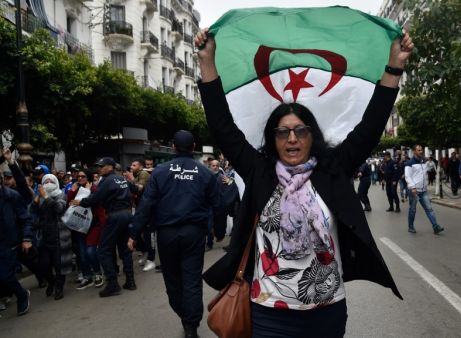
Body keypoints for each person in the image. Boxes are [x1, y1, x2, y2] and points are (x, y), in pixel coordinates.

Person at [195, 28, 413, 337]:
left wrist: (395, 66)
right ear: (273, 139)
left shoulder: (332, 169)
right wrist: (207, 63)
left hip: (327, 312)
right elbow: (222, 126)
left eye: (301, 130)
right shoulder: (260, 172)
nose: (292, 138)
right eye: (283, 132)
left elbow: (371, 125)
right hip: (269, 314)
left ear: (313, 136)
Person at [128, 130, 220, 338]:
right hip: (193, 233)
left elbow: (146, 204)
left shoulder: (160, 172)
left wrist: (134, 233)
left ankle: (187, 320)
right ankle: (191, 323)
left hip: (168, 234)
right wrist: (218, 229)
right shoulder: (204, 172)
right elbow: (218, 204)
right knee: (191, 278)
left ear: (174, 147)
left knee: (173, 279)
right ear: (194, 146)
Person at [71, 157, 134, 297]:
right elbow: (134, 190)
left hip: (114, 215)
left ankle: (113, 284)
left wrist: (80, 202)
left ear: (110, 167)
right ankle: (130, 281)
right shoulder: (121, 179)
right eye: (98, 166)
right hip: (126, 214)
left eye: (102, 166)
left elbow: (96, 198)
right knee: (124, 248)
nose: (99, 168)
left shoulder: (107, 181)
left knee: (103, 251)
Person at [31, 174, 71, 300]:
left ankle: (59, 287)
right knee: (43, 265)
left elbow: (59, 208)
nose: (48, 183)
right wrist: (37, 199)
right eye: (45, 181)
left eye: (51, 181)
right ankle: (51, 282)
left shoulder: (61, 195)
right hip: (44, 236)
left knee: (59, 265)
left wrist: (46, 197)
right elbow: (31, 212)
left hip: (59, 236)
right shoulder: (41, 197)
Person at [0, 171, 33, 316]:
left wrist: (26, 239)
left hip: (9, 243)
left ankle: (21, 294)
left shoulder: (12, 196)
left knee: (5, 275)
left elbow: (25, 219)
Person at [66, 170, 105, 289]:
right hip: (80, 225)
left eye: (83, 176)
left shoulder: (94, 189)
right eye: (78, 176)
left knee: (90, 251)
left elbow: (98, 205)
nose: (80, 178)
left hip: (93, 225)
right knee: (82, 253)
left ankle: (98, 273)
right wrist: (72, 192)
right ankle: (87, 276)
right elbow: (70, 204)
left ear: (88, 177)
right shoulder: (75, 189)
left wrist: (89, 191)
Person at [404, 145, 444, 234]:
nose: (421, 151)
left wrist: (438, 169)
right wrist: (413, 187)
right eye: (418, 150)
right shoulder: (409, 163)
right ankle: (410, 226)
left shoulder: (424, 161)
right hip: (414, 191)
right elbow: (408, 176)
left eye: (421, 150)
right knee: (412, 209)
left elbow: (427, 170)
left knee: (429, 209)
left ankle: (435, 226)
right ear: (414, 151)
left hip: (423, 190)